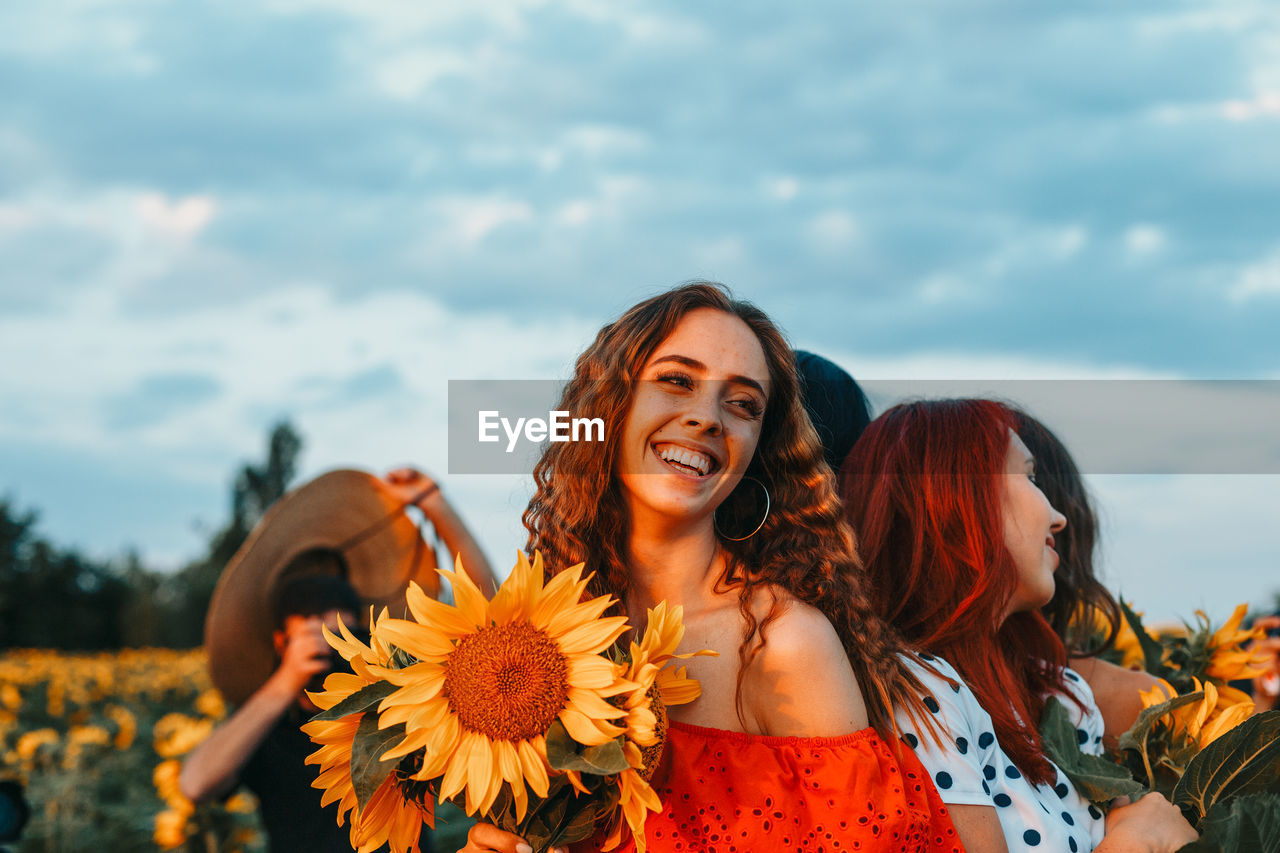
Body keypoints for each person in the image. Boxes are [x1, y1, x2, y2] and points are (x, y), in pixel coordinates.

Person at [462, 282, 962, 853]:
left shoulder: (780, 641)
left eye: (743, 404)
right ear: (607, 407)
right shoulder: (538, 635)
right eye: (677, 380)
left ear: (757, 451)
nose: (706, 418)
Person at [840, 398, 1198, 853]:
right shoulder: (915, 694)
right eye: (1028, 477)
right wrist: (1137, 842)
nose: (1058, 517)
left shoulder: (1060, 694)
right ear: (957, 501)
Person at [185, 467, 497, 853]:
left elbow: (489, 628)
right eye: (317, 639)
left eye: (347, 637)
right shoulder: (266, 723)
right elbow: (196, 784)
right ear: (281, 641)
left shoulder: (392, 697)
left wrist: (434, 504)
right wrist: (288, 679)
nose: (334, 652)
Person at [1011, 408, 1166, 741]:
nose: (1055, 518)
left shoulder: (900, 681)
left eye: (1034, 479)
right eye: (1026, 480)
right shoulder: (1140, 700)